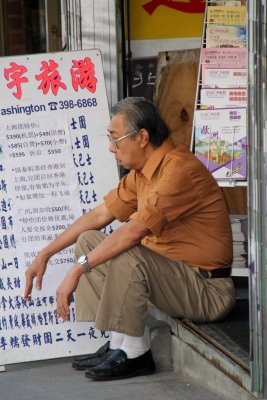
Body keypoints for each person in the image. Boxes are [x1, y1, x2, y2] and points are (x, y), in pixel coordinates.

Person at [24, 97, 235, 381]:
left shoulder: (179, 170)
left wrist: (78, 269)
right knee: (89, 240)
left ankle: (136, 353)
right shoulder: (143, 174)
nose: (111, 148)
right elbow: (100, 216)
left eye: (115, 139)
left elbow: (134, 232)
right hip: (174, 280)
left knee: (127, 249)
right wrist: (45, 253)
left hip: (206, 290)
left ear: (143, 137)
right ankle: (118, 343)